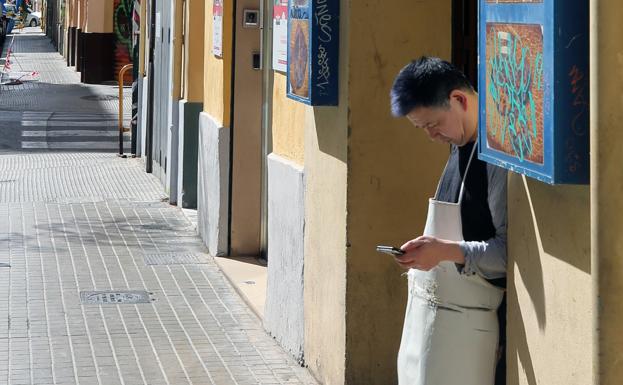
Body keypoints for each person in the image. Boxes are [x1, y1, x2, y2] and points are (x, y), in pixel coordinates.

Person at [390, 56, 507, 385]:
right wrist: (425, 251)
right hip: (431, 319)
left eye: (432, 124)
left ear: (458, 100)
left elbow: (508, 253)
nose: (431, 135)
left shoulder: (495, 157)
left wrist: (443, 251)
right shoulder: (458, 145)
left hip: (469, 330)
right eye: (422, 128)